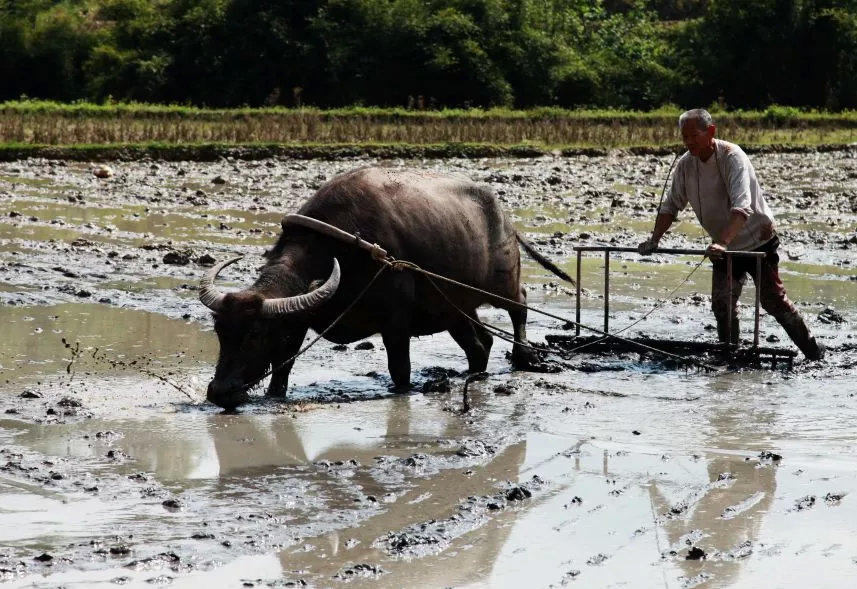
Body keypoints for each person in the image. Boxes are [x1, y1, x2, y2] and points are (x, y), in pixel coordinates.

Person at [638, 108, 824, 360]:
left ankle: (813, 352)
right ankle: (729, 357)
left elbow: (741, 207)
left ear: (711, 131)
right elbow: (671, 206)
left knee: (773, 301)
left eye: (694, 135)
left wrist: (723, 243)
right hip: (723, 245)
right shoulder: (685, 165)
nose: (689, 142)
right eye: (685, 137)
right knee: (722, 305)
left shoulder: (731, 156)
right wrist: (655, 239)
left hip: (756, 239)